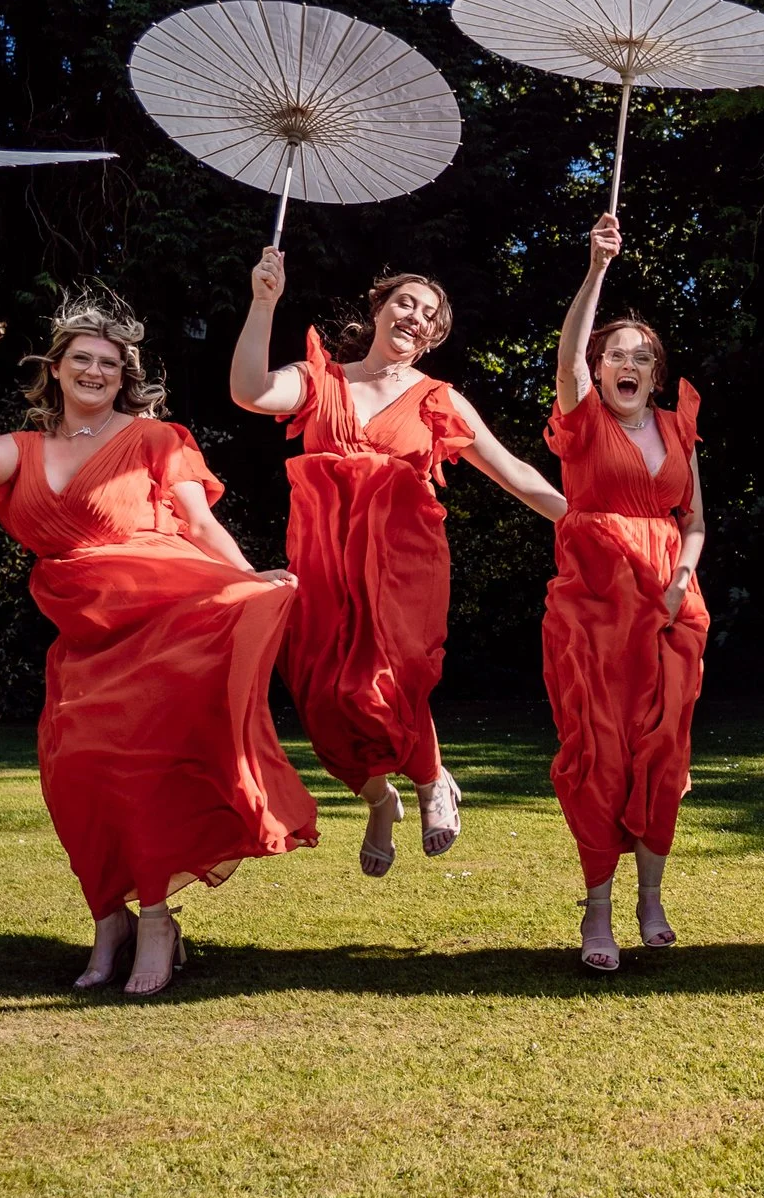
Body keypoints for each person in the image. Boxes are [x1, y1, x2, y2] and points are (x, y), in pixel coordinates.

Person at [0, 299, 318, 996]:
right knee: (72, 769)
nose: (95, 370)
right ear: (56, 368)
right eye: (82, 357)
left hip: (162, 616)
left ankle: (158, 919)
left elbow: (199, 523)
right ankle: (108, 919)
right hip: (85, 631)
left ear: (124, 376)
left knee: (139, 769)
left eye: (109, 362)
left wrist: (245, 578)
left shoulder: (155, 437)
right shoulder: (24, 447)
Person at [230, 249, 566, 877]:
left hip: (404, 563)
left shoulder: (439, 399)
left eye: (429, 314)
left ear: (433, 336)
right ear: (379, 309)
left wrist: (584, 524)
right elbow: (249, 391)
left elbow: (514, 472)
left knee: (393, 679)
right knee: (323, 698)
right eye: (405, 302)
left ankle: (432, 779)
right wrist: (264, 302)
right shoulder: (319, 379)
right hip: (325, 563)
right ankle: (380, 800)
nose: (414, 316)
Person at [542, 213, 708, 971]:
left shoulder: (679, 429)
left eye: (643, 354)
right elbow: (566, 352)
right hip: (596, 608)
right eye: (618, 354)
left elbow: (694, 520)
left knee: (664, 752)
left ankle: (651, 894)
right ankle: (598, 910)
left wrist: (681, 576)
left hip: (672, 601)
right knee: (600, 751)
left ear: (657, 371)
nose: (629, 362)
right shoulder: (581, 422)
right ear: (601, 368)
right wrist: (595, 268)